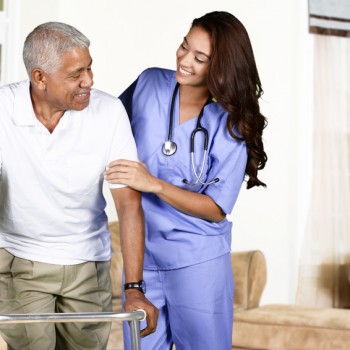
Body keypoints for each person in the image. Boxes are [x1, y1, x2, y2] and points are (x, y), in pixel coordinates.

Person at [104, 10, 267, 350]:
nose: (184, 60)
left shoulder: (233, 123)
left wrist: (154, 184)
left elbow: (216, 208)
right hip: (142, 258)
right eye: (183, 46)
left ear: (220, 66)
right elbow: (103, 128)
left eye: (200, 57)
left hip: (197, 260)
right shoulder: (149, 83)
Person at [0, 22, 158, 350]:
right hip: (21, 258)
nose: (89, 81)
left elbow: (128, 204)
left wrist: (133, 287)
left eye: (89, 68)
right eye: (76, 74)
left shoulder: (108, 111)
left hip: (89, 262)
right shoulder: (4, 110)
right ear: (39, 77)